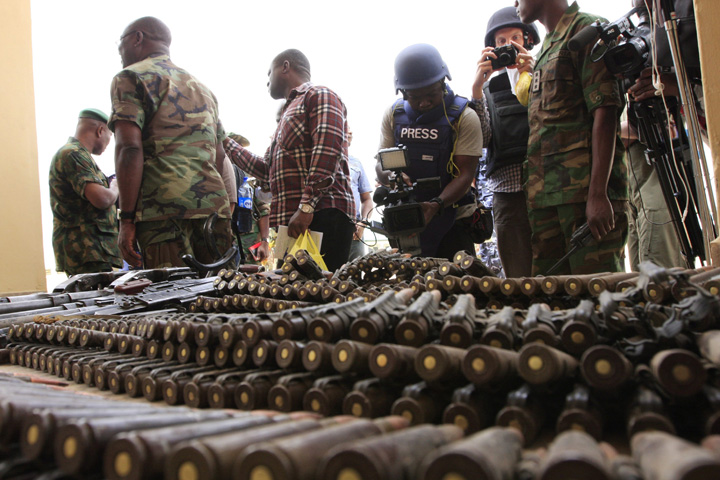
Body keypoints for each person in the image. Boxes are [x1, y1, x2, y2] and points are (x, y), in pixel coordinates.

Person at [109, 17, 232, 270]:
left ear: (137, 38)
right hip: (213, 209)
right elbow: (219, 155)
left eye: (119, 43)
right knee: (223, 296)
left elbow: (129, 148)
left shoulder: (130, 77)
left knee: (173, 299)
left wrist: (127, 219)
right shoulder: (204, 90)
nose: (119, 50)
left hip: (163, 212)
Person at [515, 0, 628, 275]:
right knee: (553, 300)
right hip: (546, 199)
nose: (515, 3)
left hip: (583, 198)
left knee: (601, 296)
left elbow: (605, 111)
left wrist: (598, 194)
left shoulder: (587, 30)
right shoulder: (545, 50)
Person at [224, 49, 355, 272]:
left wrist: (306, 207)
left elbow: (327, 150)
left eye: (269, 73)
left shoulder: (319, 94)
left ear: (285, 67)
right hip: (297, 223)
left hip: (321, 216)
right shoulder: (286, 115)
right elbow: (266, 171)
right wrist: (223, 140)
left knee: (322, 295)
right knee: (297, 295)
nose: (267, 81)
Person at [377, 44, 483, 260]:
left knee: (458, 286)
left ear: (443, 83)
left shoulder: (464, 116)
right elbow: (380, 164)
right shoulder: (393, 115)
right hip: (407, 223)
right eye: (415, 97)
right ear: (403, 92)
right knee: (411, 287)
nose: (424, 103)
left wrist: (436, 204)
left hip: (452, 219)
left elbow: (465, 174)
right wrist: (391, 177)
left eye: (431, 95)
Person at [471, 6, 540, 278]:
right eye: (501, 42)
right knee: (518, 275)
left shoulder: (544, 71)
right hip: (507, 193)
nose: (509, 46)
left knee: (554, 273)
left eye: (515, 38)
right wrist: (477, 89)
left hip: (546, 187)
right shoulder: (489, 88)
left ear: (527, 40)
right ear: (491, 49)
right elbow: (484, 139)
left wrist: (536, 74)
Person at [49, 108, 122, 276]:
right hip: (87, 250)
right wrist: (115, 187)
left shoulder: (77, 155)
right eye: (109, 136)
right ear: (100, 130)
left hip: (91, 251)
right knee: (97, 301)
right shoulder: (73, 154)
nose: (108, 142)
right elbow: (102, 199)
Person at [347, 129, 373, 261]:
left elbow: (367, 199)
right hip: (330, 226)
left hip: (354, 230)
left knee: (353, 273)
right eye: (345, 127)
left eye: (351, 129)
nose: (350, 131)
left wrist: (364, 222)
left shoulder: (356, 163)